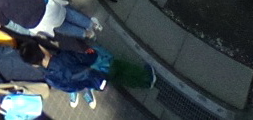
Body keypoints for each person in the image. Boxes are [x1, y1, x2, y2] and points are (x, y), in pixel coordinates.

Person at [18, 39, 156, 105]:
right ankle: (147, 78)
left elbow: (71, 88)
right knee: (122, 68)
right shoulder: (63, 58)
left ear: (34, 65)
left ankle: (141, 83)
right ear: (42, 49)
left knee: (120, 78)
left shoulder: (49, 78)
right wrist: (92, 52)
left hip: (93, 82)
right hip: (100, 68)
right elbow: (86, 58)